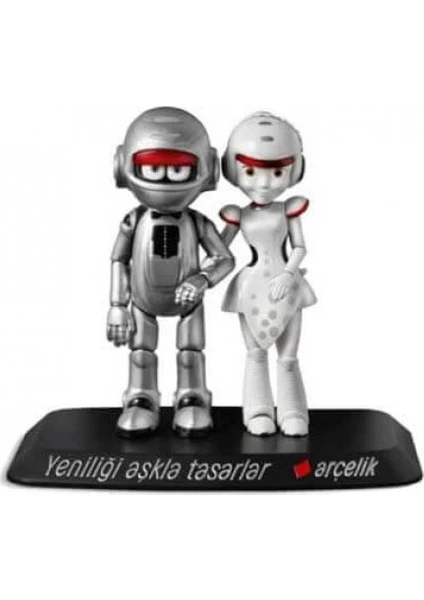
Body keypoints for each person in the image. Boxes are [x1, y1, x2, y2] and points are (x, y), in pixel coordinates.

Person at [220, 112, 316, 437]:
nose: (263, 183)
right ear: (232, 169)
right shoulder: (238, 215)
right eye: (250, 171)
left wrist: (288, 274)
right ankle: (257, 411)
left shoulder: (289, 210)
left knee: (288, 357)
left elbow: (300, 247)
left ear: (295, 170)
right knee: (255, 354)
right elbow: (219, 249)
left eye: (277, 172)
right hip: (250, 288)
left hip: (286, 285)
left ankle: (293, 412)